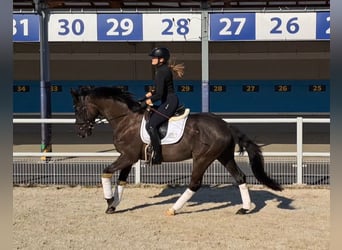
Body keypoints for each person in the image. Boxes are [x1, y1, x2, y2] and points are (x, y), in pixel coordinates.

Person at [142, 47, 185, 164]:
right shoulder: (162, 70)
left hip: (169, 102)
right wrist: (149, 95)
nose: (152, 59)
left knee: (151, 125)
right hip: (167, 100)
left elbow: (160, 94)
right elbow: (159, 89)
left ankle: (157, 155)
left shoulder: (161, 71)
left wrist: (148, 101)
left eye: (154, 57)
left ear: (161, 59)